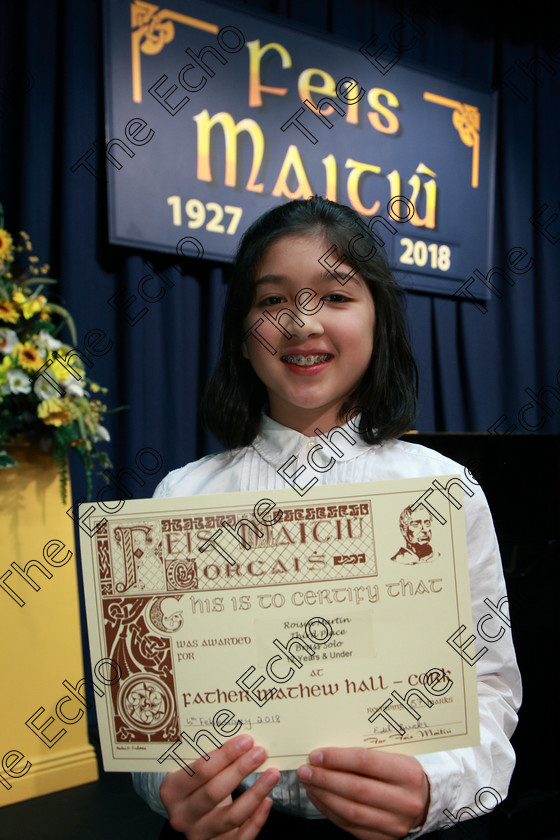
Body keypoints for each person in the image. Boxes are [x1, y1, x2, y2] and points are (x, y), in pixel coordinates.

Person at [132, 196, 521, 839]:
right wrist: (170, 788)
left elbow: (491, 694)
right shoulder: (181, 498)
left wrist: (433, 788)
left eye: (336, 297)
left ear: (379, 320)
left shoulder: (441, 490)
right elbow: (151, 719)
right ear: (241, 330)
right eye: (272, 301)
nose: (300, 323)